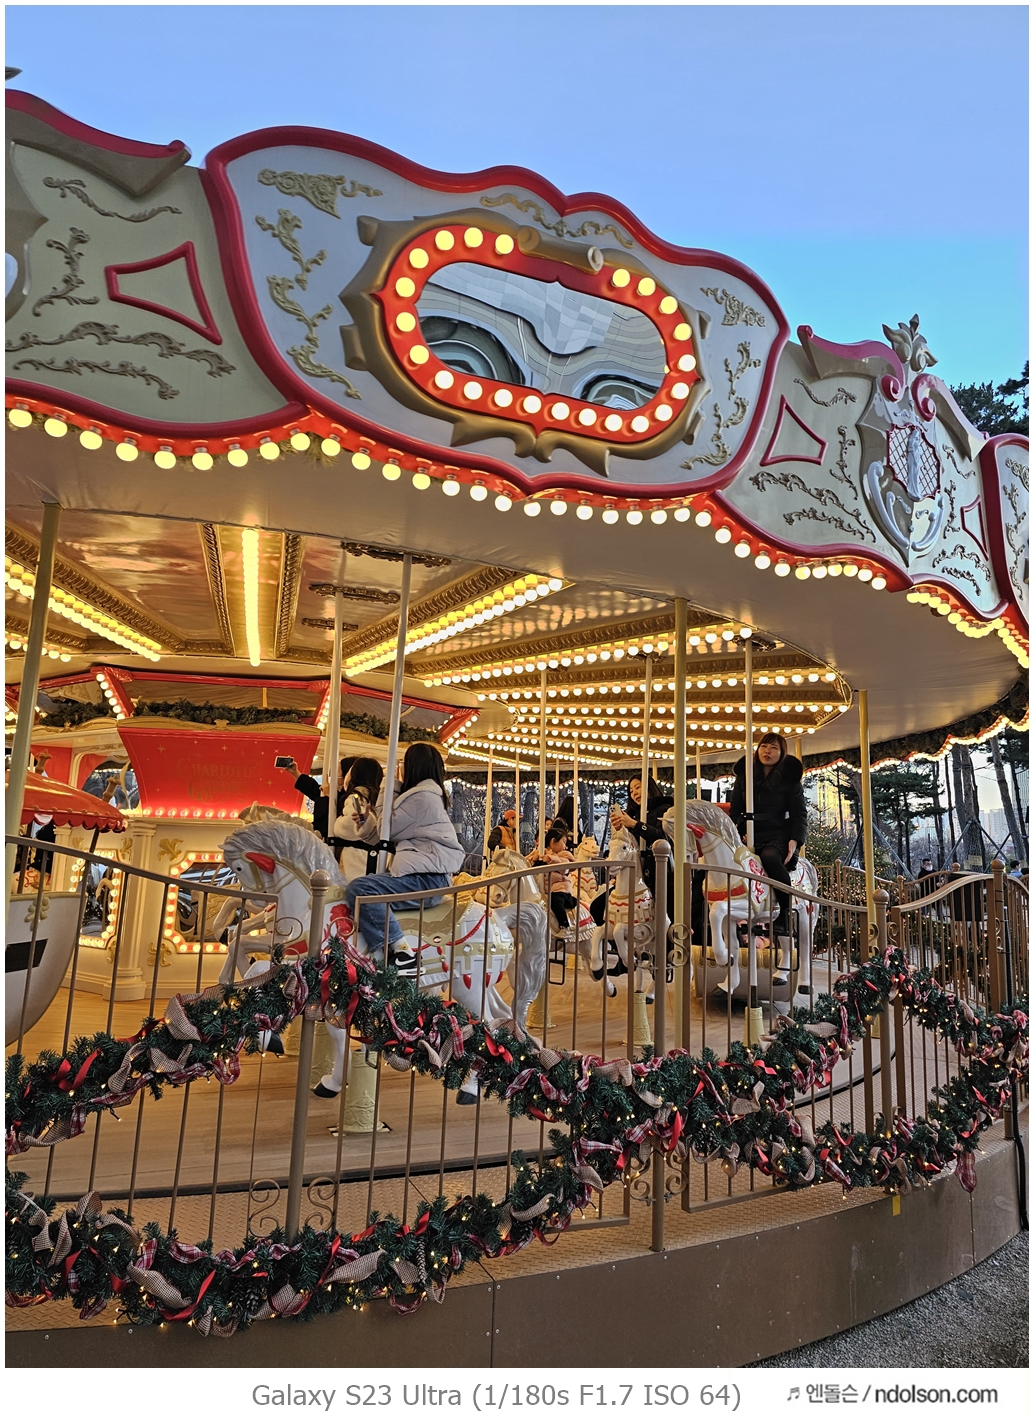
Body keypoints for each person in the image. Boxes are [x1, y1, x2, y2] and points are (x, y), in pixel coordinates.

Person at [343, 742, 465, 974]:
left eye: (404, 763)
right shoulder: (423, 796)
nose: (401, 768)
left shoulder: (422, 797)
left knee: (361, 888)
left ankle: (403, 954)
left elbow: (388, 829)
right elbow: (384, 836)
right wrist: (367, 822)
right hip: (425, 874)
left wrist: (389, 786)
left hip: (426, 878)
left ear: (412, 766)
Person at [729, 733, 806, 976]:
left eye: (773, 748)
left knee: (771, 857)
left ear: (781, 753)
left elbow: (799, 812)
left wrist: (795, 839)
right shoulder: (745, 775)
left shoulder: (789, 778)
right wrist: (739, 829)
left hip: (777, 832)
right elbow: (736, 808)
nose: (767, 751)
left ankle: (784, 912)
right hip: (750, 832)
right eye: (764, 746)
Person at [609, 774, 675, 914]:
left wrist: (635, 825)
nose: (634, 793)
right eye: (631, 791)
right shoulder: (633, 814)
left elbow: (663, 838)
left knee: (663, 912)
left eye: (638, 788)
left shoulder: (665, 810)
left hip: (658, 870)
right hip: (636, 872)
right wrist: (620, 829)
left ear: (649, 787)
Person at [280, 754, 353, 845]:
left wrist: (327, 797)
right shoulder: (338, 793)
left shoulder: (348, 800)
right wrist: (295, 772)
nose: (333, 775)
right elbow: (314, 789)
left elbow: (322, 824)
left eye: (337, 771)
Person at [332, 757, 384, 880]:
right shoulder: (381, 798)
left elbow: (349, 825)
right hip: (376, 856)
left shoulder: (356, 797)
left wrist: (338, 823)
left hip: (355, 856)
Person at [542, 824, 578, 929]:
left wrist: (550, 859)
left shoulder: (564, 855)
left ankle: (564, 925)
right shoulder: (542, 852)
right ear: (553, 841)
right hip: (546, 889)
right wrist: (533, 858)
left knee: (555, 902)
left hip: (560, 889)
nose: (565, 846)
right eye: (564, 842)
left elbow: (564, 866)